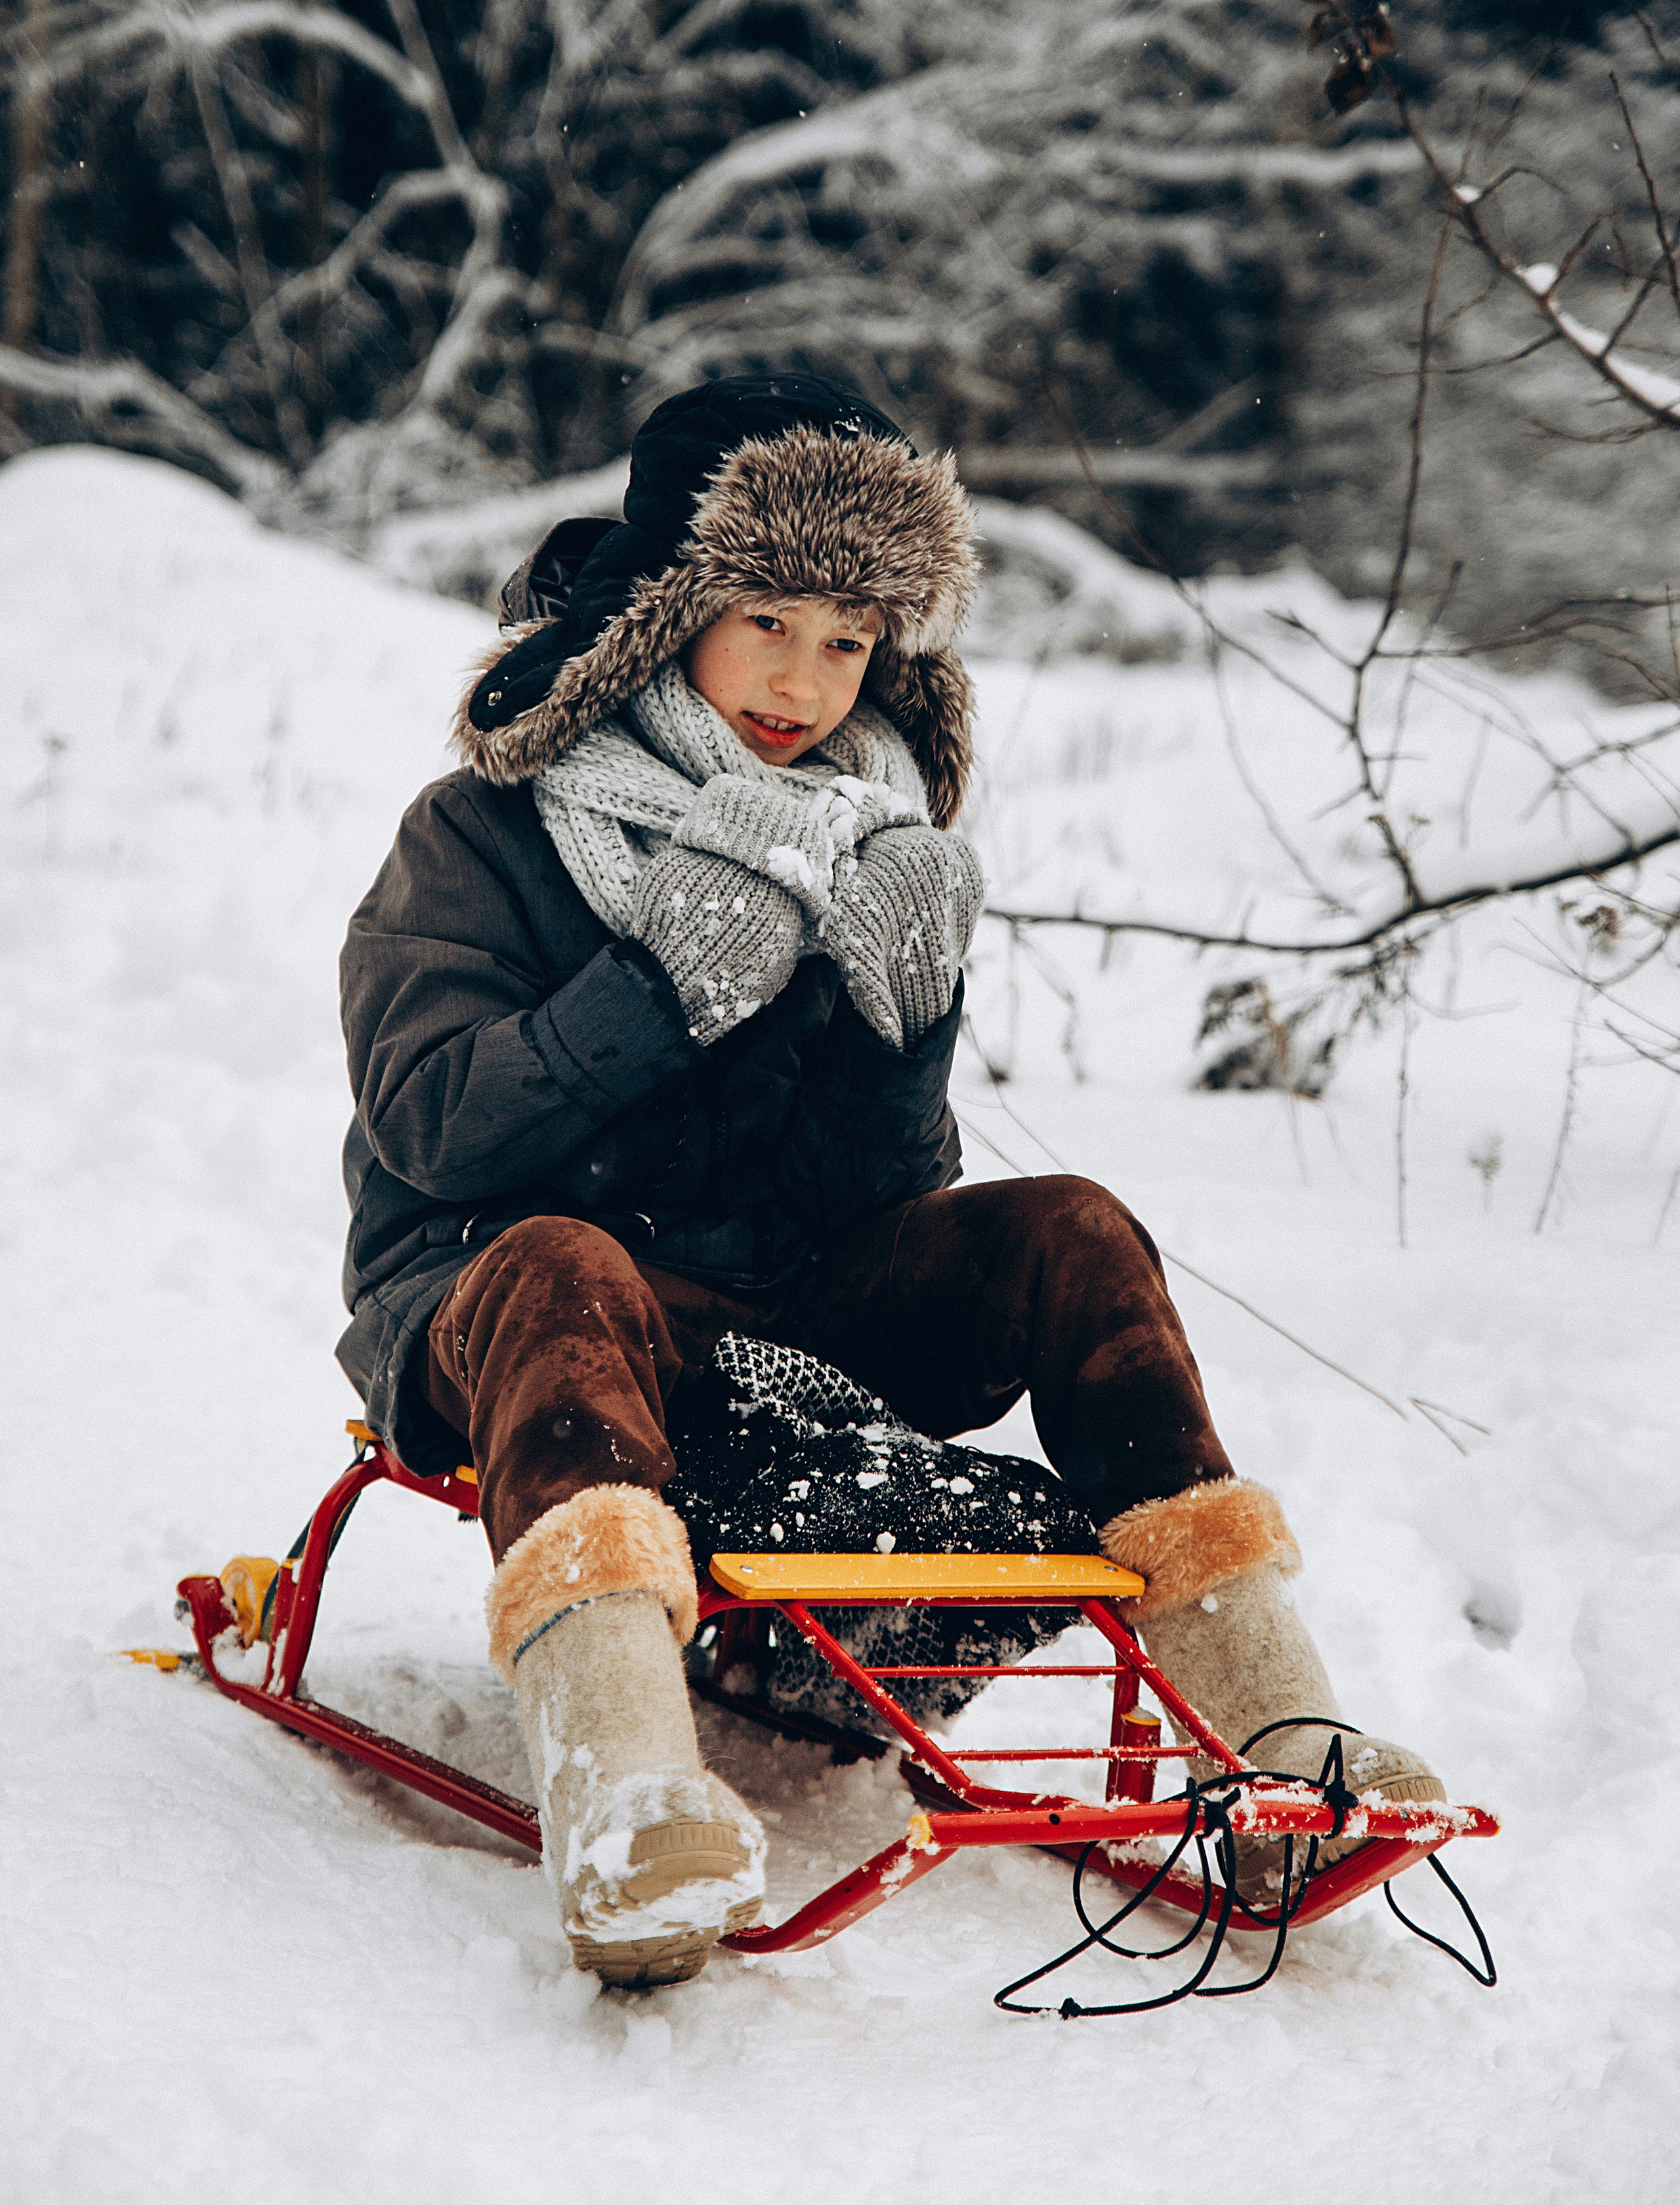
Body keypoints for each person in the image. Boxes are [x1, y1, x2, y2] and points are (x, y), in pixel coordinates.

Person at [336, 373, 1440, 1990]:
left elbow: (880, 1198)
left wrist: (895, 1025)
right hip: (518, 1305)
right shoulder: (482, 832)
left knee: (1068, 1224)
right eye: (765, 620)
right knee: (566, 1254)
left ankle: (1281, 1734)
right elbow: (430, 1132)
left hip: (781, 1301)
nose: (802, 679)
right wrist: (655, 991)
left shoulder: (867, 831)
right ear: (665, 613)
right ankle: (626, 1793)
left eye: (848, 638)